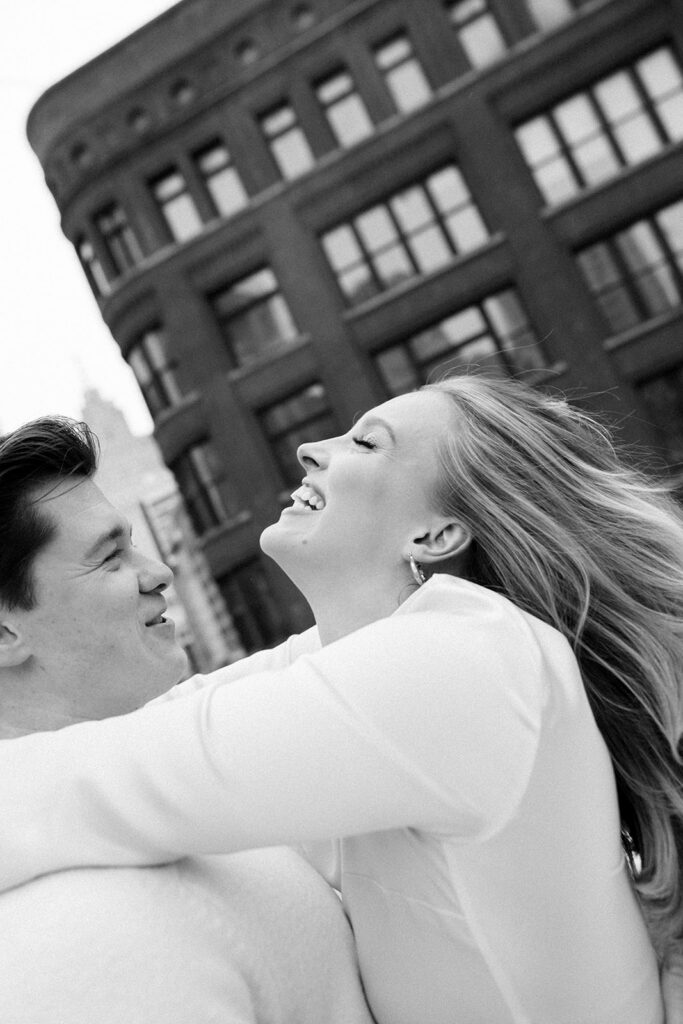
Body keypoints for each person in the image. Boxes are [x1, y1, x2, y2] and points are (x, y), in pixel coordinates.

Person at [0, 375, 682, 1023]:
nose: (309, 449)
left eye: (365, 442)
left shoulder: (460, 662)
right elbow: (174, 722)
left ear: (434, 536)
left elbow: (123, 775)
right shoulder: (367, 663)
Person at [0, 417, 373, 1024]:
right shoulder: (79, 941)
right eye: (109, 557)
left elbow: (324, 663)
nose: (158, 571)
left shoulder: (147, 779)